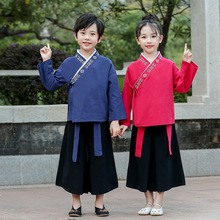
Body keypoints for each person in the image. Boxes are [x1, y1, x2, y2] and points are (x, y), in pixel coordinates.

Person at [38, 13, 126, 217]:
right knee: (75, 163)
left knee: (100, 163)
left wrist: (115, 120)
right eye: (83, 33)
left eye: (92, 33)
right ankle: (75, 204)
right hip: (76, 122)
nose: (87, 37)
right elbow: (51, 84)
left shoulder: (106, 64)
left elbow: (114, 94)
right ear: (76, 35)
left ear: (100, 38)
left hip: (100, 123)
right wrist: (46, 61)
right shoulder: (69, 63)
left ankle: (100, 203)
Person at [119, 13, 198, 216]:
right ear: (138, 40)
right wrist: (124, 122)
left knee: (162, 164)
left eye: (153, 36)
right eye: (144, 37)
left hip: (164, 123)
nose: (149, 41)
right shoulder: (133, 69)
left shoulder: (169, 65)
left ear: (160, 38)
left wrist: (186, 64)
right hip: (142, 124)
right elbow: (126, 97)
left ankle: (158, 202)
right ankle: (147, 201)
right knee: (142, 163)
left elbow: (182, 87)